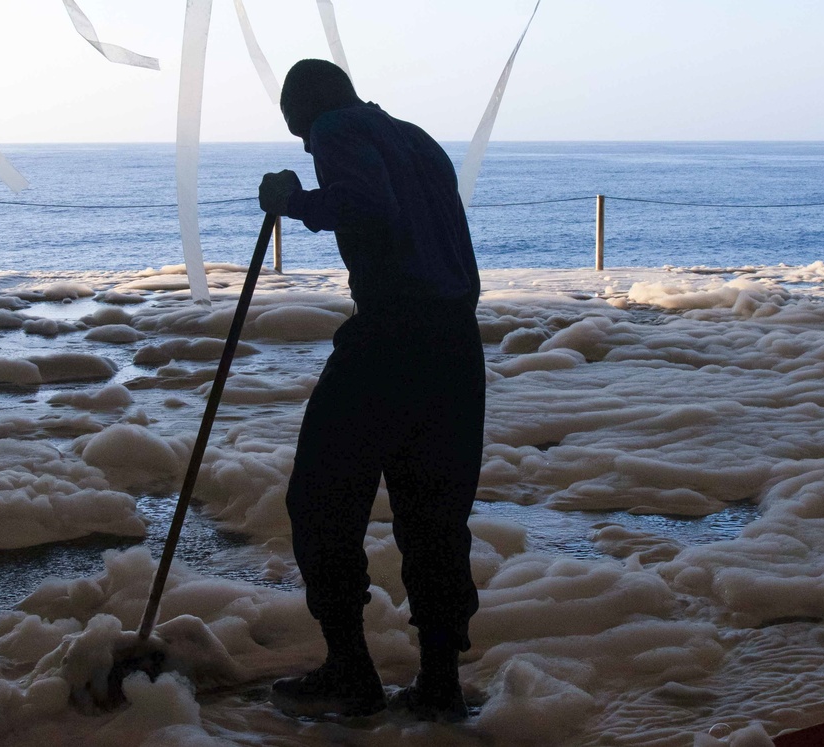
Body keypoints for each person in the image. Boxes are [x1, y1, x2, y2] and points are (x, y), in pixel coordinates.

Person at [258, 58, 485, 722]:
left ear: (307, 111)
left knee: (321, 499)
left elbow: (366, 202)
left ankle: (351, 675)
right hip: (457, 350)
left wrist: (293, 200)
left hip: (392, 338)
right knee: (435, 519)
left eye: (300, 131)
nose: (308, 145)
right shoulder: (416, 139)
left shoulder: (336, 127)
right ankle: (439, 685)